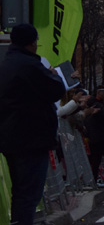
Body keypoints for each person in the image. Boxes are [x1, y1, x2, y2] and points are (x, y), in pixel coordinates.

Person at [0, 24, 68, 224]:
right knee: (30, 192)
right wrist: (55, 76)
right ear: (32, 42)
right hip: (31, 137)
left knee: (20, 192)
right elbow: (56, 89)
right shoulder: (29, 65)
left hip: (11, 137)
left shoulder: (6, 65)